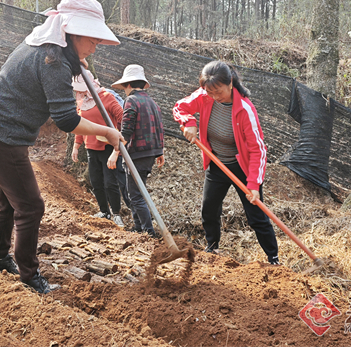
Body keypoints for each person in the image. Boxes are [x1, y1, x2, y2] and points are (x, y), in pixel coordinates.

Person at [0, 0, 122, 294]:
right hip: (1, 134)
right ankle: (30, 276)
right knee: (30, 205)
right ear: (74, 33)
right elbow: (66, 119)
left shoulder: (46, 48)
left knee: (9, 201)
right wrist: (106, 132)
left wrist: (77, 64)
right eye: (92, 39)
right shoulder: (52, 60)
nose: (95, 46)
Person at [173, 60, 280, 265]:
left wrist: (254, 185)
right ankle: (212, 247)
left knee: (256, 215)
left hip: (243, 168)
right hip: (217, 164)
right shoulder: (205, 96)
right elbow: (179, 107)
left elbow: (258, 149)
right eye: (210, 92)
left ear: (230, 83)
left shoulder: (245, 110)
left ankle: (273, 258)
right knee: (209, 209)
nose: (214, 97)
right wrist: (189, 123)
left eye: (218, 91)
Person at [108, 64, 164, 237]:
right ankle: (138, 227)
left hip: (136, 154)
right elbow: (159, 128)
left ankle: (148, 232)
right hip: (149, 153)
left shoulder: (131, 101)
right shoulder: (152, 102)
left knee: (135, 195)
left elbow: (125, 131)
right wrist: (160, 151)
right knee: (137, 192)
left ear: (128, 85)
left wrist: (115, 152)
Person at [71, 71, 125, 227]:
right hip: (91, 148)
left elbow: (122, 117)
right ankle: (104, 211)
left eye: (80, 89)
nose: (78, 92)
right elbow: (80, 125)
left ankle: (116, 214)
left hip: (108, 147)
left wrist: (119, 141)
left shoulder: (106, 97)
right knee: (96, 182)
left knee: (110, 183)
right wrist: (76, 146)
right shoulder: (81, 102)